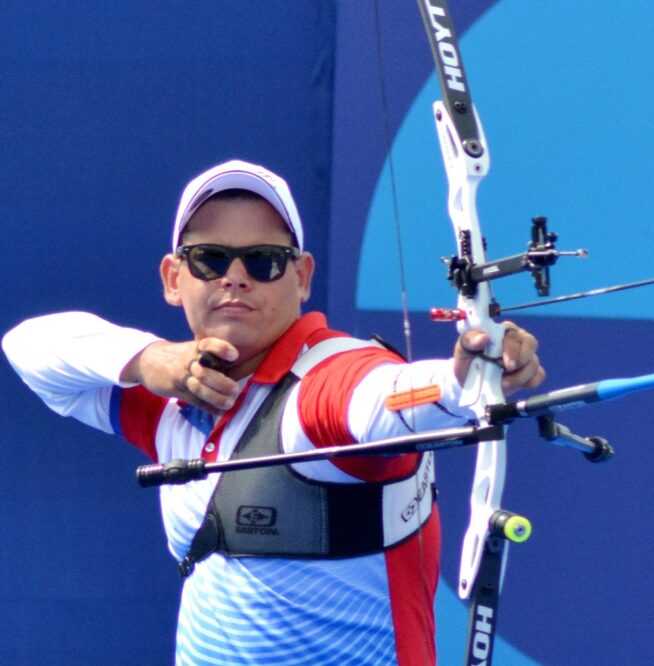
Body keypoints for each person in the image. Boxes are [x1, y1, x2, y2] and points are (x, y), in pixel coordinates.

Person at [2, 160, 544, 665]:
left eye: (263, 261)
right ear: (174, 278)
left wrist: (459, 380)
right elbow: (28, 348)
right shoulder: (173, 396)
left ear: (302, 277)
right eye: (209, 258)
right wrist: (146, 359)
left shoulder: (328, 385)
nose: (234, 276)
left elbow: (388, 397)